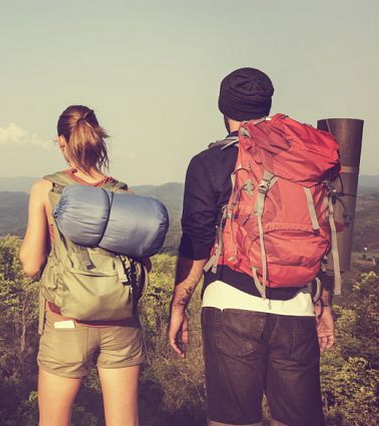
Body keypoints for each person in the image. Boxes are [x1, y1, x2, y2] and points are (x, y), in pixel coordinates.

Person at [167, 67, 335, 426]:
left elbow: (196, 241)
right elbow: (326, 231)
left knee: (234, 421)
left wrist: (178, 304)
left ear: (222, 106)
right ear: (267, 105)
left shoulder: (209, 162)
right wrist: (324, 305)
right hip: (298, 307)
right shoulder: (303, 160)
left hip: (232, 305)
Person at [19, 105, 148, 426]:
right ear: (98, 139)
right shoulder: (124, 193)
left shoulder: (46, 189)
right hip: (121, 324)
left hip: (67, 323)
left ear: (62, 143)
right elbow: (142, 262)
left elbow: (31, 265)